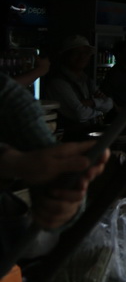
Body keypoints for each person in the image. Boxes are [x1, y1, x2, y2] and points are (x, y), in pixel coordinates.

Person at [0, 72, 110, 231]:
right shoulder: (59, 82)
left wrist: (64, 200)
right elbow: (81, 111)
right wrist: (13, 162)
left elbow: (47, 157)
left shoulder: (8, 95)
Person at [45, 35, 114, 140]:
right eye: (76, 53)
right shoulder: (58, 82)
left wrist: (91, 102)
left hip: (86, 136)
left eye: (85, 53)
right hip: (70, 139)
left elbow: (109, 103)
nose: (82, 57)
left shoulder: (86, 80)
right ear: (65, 55)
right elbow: (80, 114)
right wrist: (100, 108)